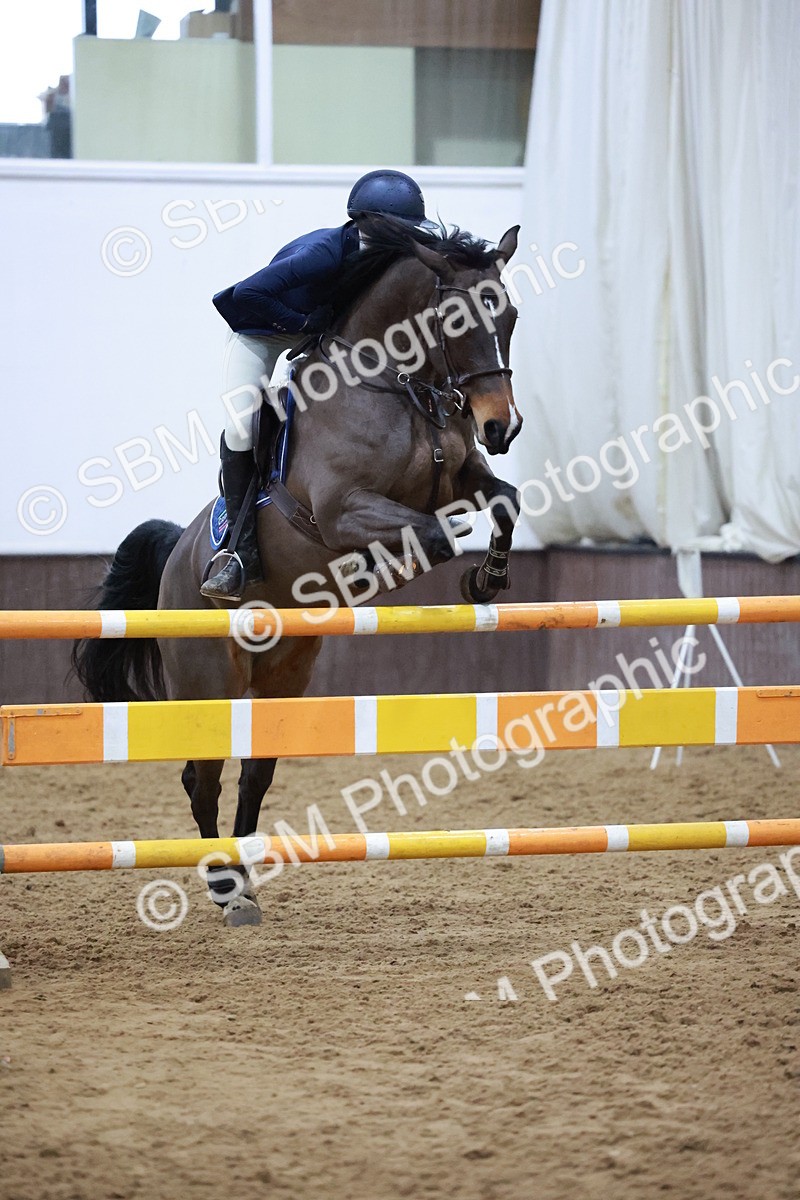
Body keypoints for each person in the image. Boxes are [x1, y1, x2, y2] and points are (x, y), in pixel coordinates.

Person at [201, 168, 430, 601]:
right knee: (242, 427)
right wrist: (305, 325)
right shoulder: (322, 254)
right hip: (259, 334)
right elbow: (240, 296)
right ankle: (238, 551)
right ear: (375, 225)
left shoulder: (383, 251)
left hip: (316, 337)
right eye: (406, 231)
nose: (412, 240)